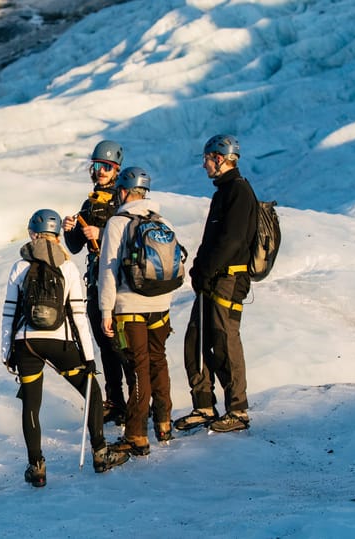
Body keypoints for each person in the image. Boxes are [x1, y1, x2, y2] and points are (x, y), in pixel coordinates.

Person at [2, 209, 129, 487]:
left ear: (32, 233)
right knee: (92, 390)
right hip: (59, 343)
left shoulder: (19, 267)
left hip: (27, 345)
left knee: (31, 404)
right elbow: (78, 315)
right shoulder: (68, 267)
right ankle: (99, 452)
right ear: (58, 235)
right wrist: (89, 357)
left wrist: (7, 352)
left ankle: (36, 467)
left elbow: (9, 312)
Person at [174, 134, 258, 433]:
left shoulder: (238, 191)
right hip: (213, 278)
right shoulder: (224, 191)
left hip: (228, 279)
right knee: (195, 341)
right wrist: (200, 270)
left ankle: (238, 410)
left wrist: (205, 271)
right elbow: (214, 239)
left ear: (220, 158)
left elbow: (231, 240)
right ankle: (204, 405)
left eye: (208, 158)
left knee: (225, 342)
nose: (204, 164)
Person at [97, 167, 176, 456]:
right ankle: (164, 421)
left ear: (125, 191)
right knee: (159, 361)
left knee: (138, 367)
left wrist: (106, 309)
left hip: (131, 307)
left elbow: (108, 270)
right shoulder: (161, 219)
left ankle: (136, 434)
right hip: (161, 305)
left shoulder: (118, 222)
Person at [62, 140, 130, 427]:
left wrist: (101, 233)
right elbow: (77, 247)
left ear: (116, 171)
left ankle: (139, 401)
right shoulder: (90, 203)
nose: (101, 171)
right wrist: (71, 232)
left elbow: (129, 234)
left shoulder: (122, 200)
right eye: (97, 166)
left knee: (121, 343)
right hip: (96, 281)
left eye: (107, 167)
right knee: (105, 343)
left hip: (118, 279)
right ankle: (116, 401)